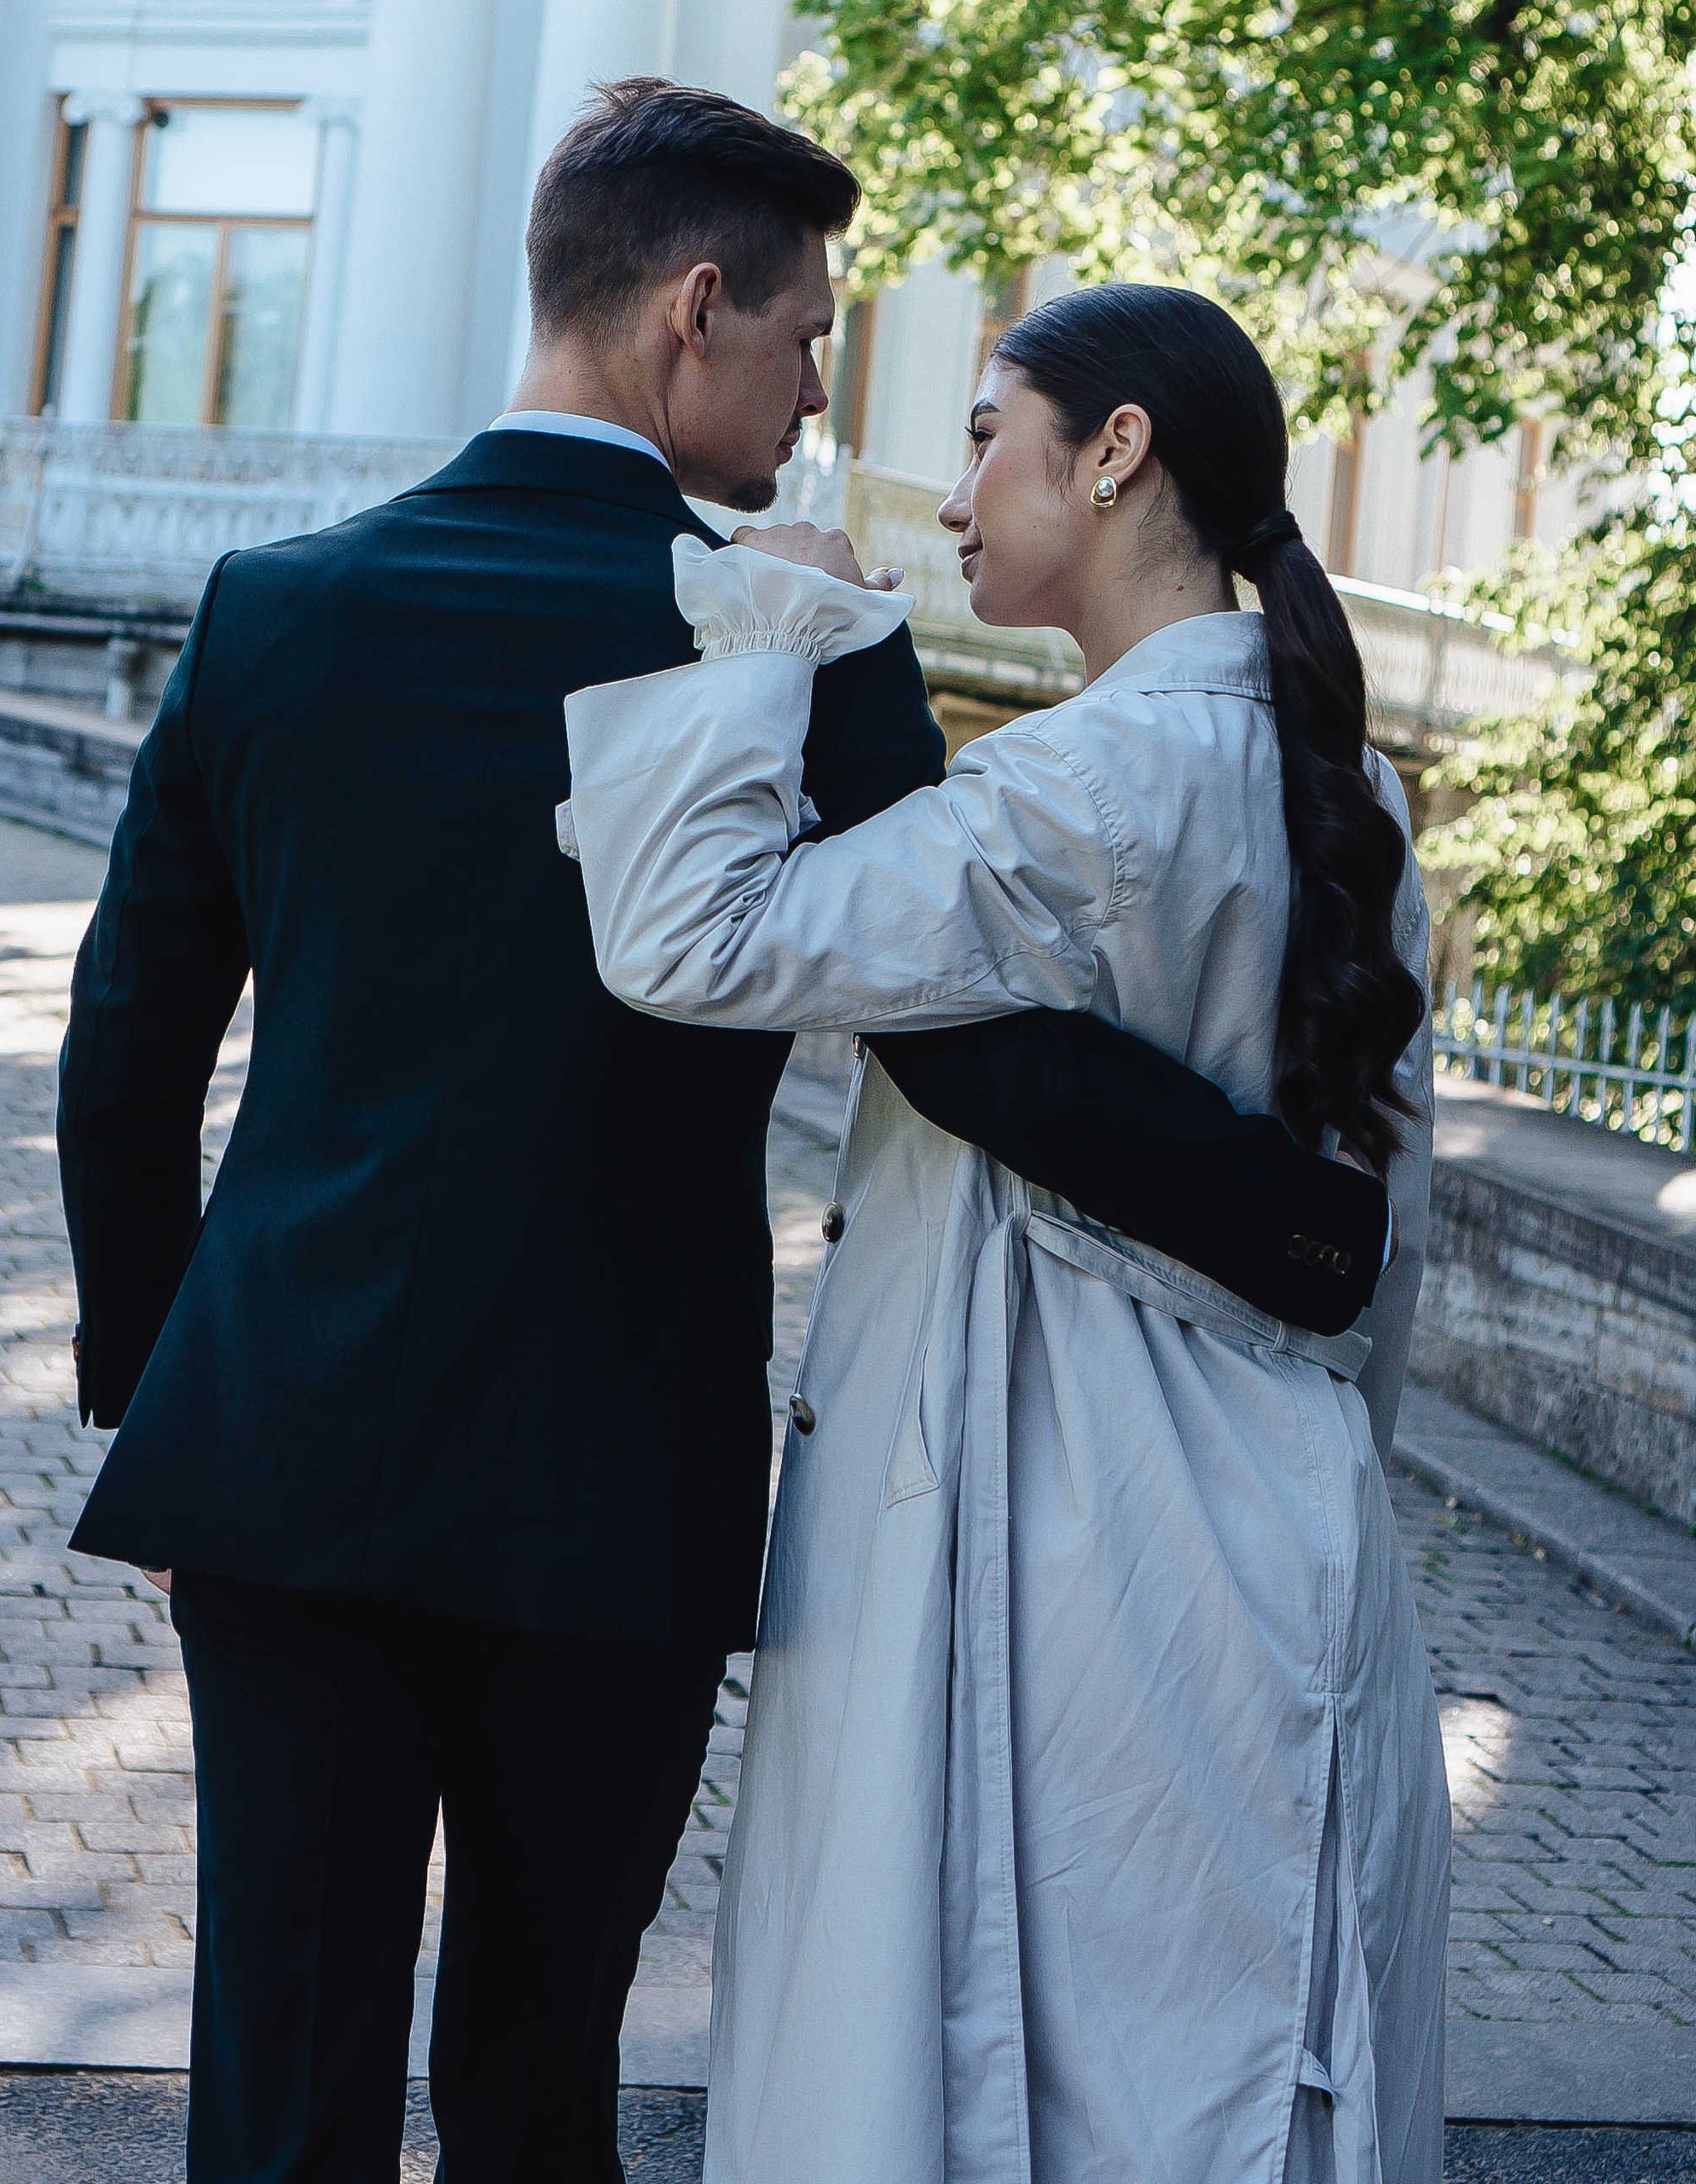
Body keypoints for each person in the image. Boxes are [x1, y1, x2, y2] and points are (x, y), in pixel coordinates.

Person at [56, 97, 1393, 2184]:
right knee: (537, 2080)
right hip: (618, 1476)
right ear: (697, 314)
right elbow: (954, 1043)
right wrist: (1289, 1224)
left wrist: (158, 1374)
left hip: (285, 1454)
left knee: (279, 2075)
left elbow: (129, 1045)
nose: (816, 406)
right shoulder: (800, 636)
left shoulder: (279, 606)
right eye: (806, 345)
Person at [561, 279, 1450, 2184]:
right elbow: (1390, 1246)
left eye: (984, 432)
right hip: (1287, 1540)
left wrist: (767, 622)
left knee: (1025, 2080)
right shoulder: (1348, 792)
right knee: (1235, 2080)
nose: (949, 490)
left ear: (1113, 451)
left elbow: (683, 936)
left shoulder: (1079, 790)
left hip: (1057, 1527)